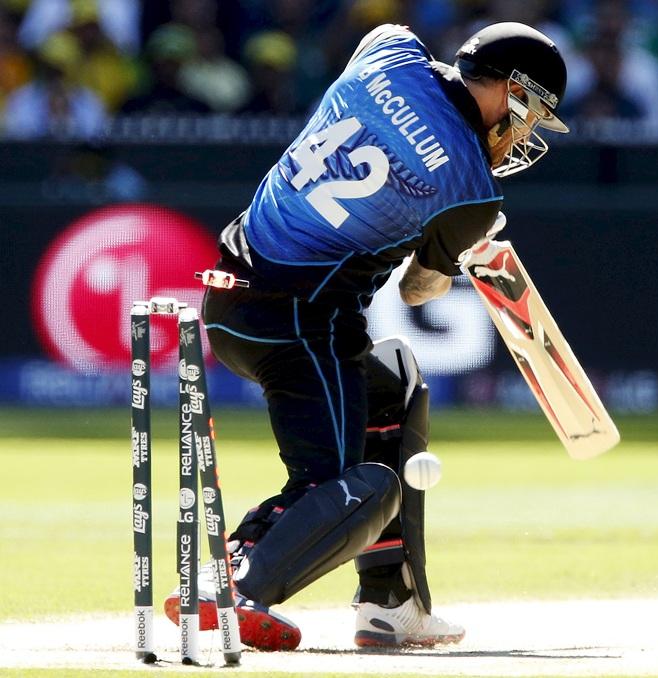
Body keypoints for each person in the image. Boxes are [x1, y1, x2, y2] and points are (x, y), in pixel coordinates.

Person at [164, 21, 569, 651]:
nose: (527, 132)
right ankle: (238, 587)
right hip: (297, 323)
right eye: (533, 113)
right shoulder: (469, 189)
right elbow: (417, 290)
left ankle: (391, 605)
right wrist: (464, 241)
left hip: (229, 287)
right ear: (511, 91)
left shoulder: (390, 47)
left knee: (394, 384)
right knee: (362, 486)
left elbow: (388, 118)